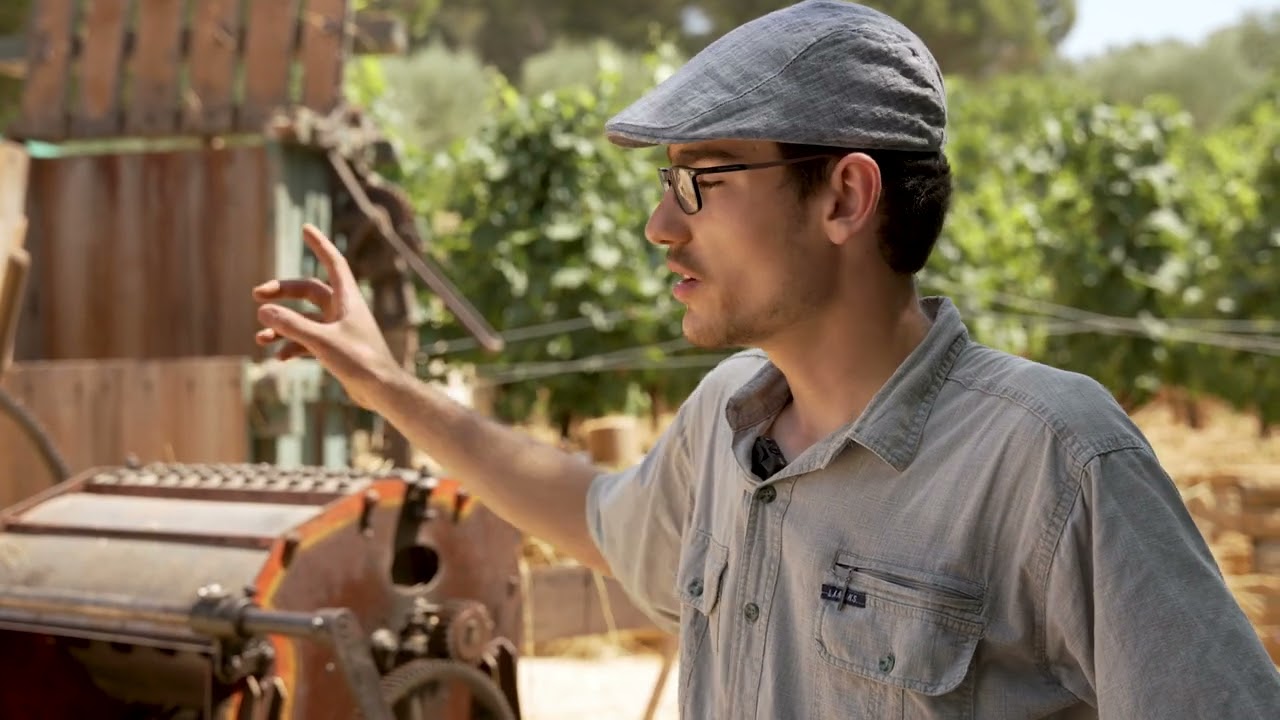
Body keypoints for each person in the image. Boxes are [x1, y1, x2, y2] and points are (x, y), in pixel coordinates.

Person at [253, 1, 1280, 717]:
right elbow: (592, 512)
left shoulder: (1051, 460)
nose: (660, 225)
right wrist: (384, 386)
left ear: (842, 197)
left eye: (699, 179)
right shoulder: (724, 418)